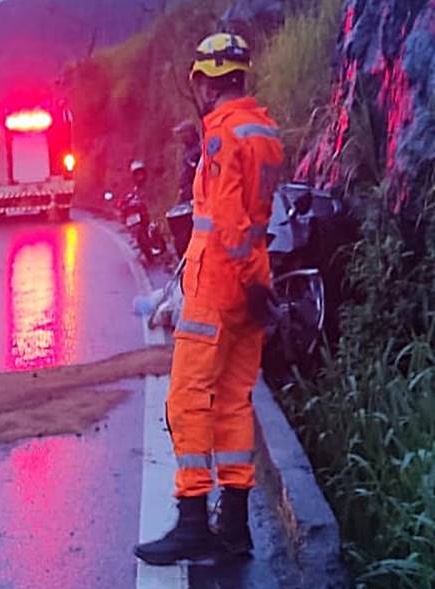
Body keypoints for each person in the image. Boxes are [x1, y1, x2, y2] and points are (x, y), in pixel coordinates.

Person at [134, 32, 284, 565]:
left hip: (218, 288)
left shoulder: (222, 134)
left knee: (188, 401)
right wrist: (261, 285)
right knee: (236, 401)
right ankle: (236, 524)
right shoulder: (263, 129)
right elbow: (255, 214)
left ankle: (194, 519)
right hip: (249, 290)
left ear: (203, 82)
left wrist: (246, 277)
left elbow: (227, 221)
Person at [173, 120, 201, 204]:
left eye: (182, 134)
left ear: (189, 133)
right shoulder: (186, 151)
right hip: (186, 192)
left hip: (195, 192)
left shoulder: (199, 149)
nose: (180, 137)